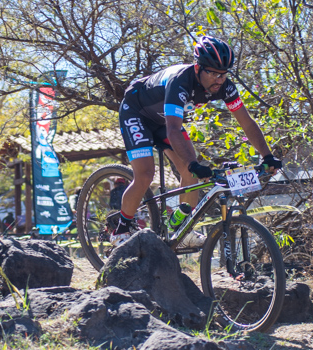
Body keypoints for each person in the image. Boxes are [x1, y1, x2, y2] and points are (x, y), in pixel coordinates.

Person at [112, 36, 283, 244]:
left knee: (188, 172)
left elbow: (247, 123)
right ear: (197, 68)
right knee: (146, 173)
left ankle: (182, 229)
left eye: (223, 74)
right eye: (212, 73)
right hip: (137, 112)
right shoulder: (180, 82)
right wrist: (193, 163)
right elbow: (174, 129)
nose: (218, 80)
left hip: (163, 119)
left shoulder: (225, 87)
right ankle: (121, 229)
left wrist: (267, 156)